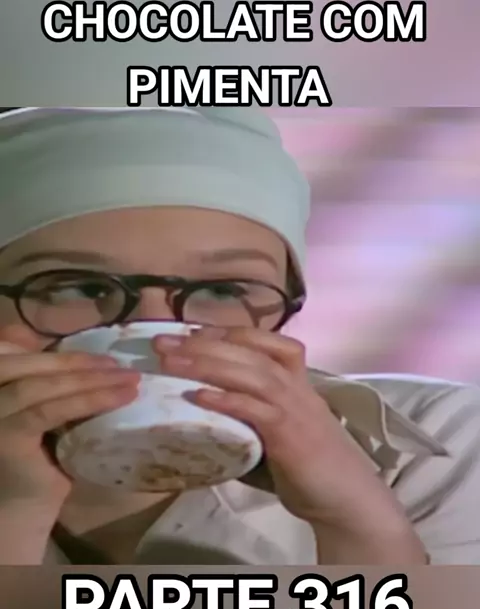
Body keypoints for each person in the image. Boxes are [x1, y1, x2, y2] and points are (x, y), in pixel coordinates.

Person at [0, 106, 478, 566]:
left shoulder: (436, 444)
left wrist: (356, 523)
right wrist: (15, 510)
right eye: (79, 287)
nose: (156, 329)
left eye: (222, 290)